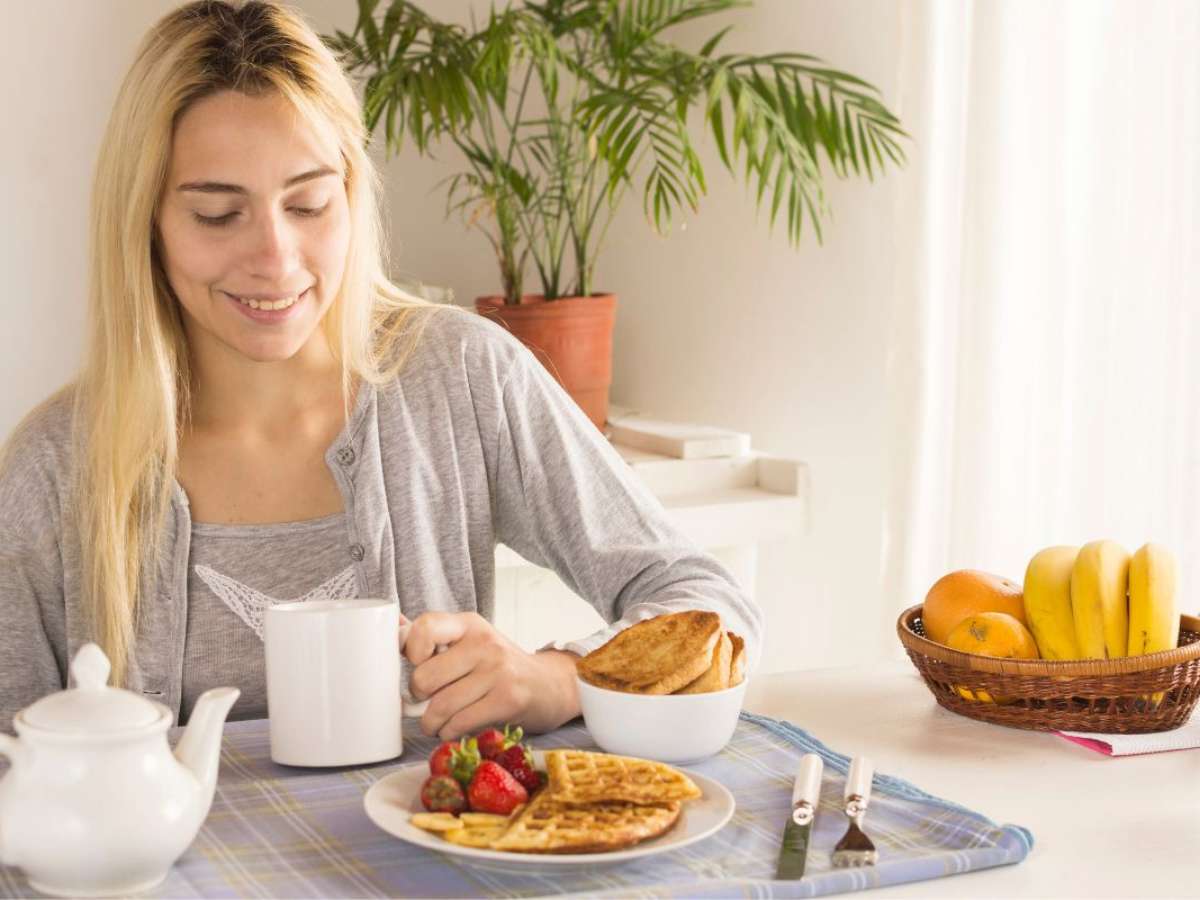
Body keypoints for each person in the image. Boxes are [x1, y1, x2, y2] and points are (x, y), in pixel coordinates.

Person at [0, 0, 762, 740]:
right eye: (216, 214)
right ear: (146, 224)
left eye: (308, 205)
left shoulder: (462, 377)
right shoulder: (56, 465)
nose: (275, 258)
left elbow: (710, 607)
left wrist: (560, 679)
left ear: (353, 199)